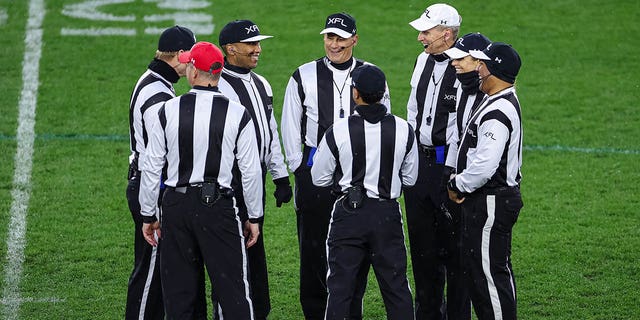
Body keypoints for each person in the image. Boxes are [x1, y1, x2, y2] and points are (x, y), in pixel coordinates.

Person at [139, 41, 263, 319]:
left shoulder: (167, 110)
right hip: (218, 207)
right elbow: (251, 171)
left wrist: (148, 213)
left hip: (176, 206)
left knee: (180, 294)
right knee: (233, 291)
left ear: (194, 72)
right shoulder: (237, 112)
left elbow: (151, 167)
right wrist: (254, 216)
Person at [281, 12, 391, 320]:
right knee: (313, 249)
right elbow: (290, 125)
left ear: (354, 39)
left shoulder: (372, 75)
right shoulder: (303, 75)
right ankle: (316, 313)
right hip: (314, 173)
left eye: (341, 37)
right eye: (329, 37)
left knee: (353, 250)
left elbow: (384, 124)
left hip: (356, 176)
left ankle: (348, 310)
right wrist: (299, 169)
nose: (334, 43)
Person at [311, 65, 418, 320]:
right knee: (396, 289)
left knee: (340, 290)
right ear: (383, 93)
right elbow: (411, 178)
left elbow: (319, 177)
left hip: (349, 215)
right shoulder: (404, 129)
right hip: (387, 214)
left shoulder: (338, 130)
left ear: (355, 94)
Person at [217, 19, 293, 320]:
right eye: (251, 44)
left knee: (253, 242)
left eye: (258, 43)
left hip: (255, 177)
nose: (258, 50)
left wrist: (280, 174)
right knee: (233, 249)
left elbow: (269, 130)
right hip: (229, 179)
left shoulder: (261, 83)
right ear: (230, 48)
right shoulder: (218, 84)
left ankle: (256, 308)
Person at [447, 42, 523, 320]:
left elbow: (484, 166)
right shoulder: (498, 102)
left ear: (495, 71)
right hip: (491, 200)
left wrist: (457, 184)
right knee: (488, 271)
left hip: (491, 201)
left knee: (489, 277)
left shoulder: (497, 112)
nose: (478, 69)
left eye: (483, 65)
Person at [125, 25, 195, 320]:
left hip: (144, 180)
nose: (193, 62)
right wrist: (151, 210)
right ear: (179, 54)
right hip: (152, 185)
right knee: (151, 273)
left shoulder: (153, 81)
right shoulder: (158, 98)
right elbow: (159, 158)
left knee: (156, 269)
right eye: (190, 54)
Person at [405, 3, 470, 320]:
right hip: (419, 164)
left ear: (447, 34)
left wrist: (451, 172)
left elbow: (463, 126)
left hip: (449, 169)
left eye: (426, 32)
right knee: (422, 251)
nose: (420, 37)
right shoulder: (422, 60)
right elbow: (413, 110)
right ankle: (428, 314)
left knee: (456, 253)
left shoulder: (466, 67)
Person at [443, 32, 492, 183]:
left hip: (483, 182)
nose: (453, 63)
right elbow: (457, 135)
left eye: (460, 58)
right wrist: (449, 169)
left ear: (479, 62)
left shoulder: (492, 96)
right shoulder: (462, 88)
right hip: (462, 179)